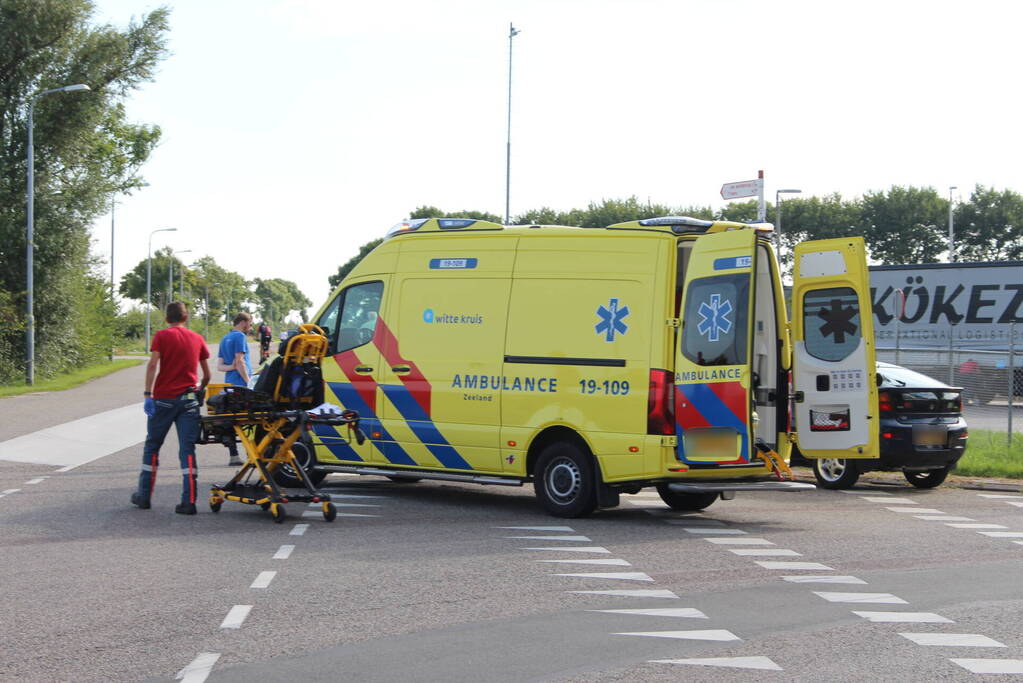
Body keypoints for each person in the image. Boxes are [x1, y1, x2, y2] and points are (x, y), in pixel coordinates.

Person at [131, 302, 211, 515]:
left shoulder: (162, 336)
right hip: (189, 401)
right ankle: (189, 501)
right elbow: (207, 375)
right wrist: (200, 390)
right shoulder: (197, 339)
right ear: (186, 317)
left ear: (167, 319)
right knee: (187, 449)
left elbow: (152, 365)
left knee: (153, 446)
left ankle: (144, 496)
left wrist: (148, 394)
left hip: (164, 399)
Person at [218, 312, 253, 465]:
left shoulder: (225, 338)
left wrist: (231, 366)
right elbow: (240, 361)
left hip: (230, 384)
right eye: (250, 322)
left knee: (232, 420)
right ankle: (252, 454)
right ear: (243, 322)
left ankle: (234, 456)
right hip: (241, 385)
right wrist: (249, 382)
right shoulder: (240, 337)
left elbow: (220, 366)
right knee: (251, 420)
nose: (251, 325)